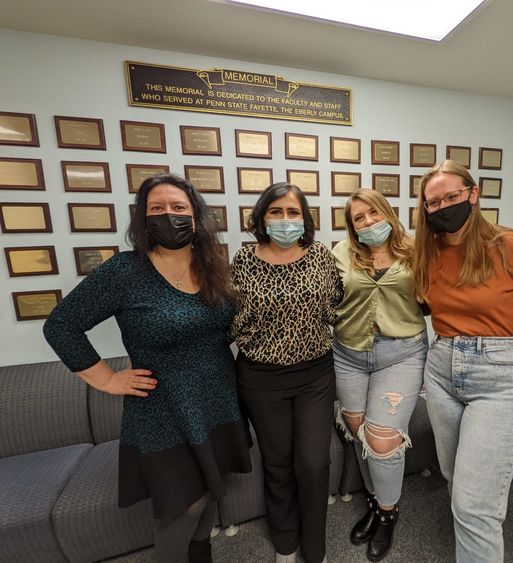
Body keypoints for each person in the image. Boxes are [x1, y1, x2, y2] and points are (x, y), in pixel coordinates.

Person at [43, 174, 252, 563]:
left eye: (178, 208)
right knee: (182, 506)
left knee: (209, 488)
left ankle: (201, 554)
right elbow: (61, 325)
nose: (168, 215)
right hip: (163, 411)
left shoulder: (212, 266)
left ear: (196, 216)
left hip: (219, 401)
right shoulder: (125, 271)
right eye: (157, 209)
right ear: (142, 218)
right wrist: (105, 378)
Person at [412, 160, 513, 562]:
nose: (444, 206)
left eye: (452, 196)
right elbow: (425, 306)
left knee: (474, 503)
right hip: (443, 365)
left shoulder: (508, 244)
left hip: (499, 371)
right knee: (453, 480)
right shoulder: (426, 252)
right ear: (425, 208)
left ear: (473, 194)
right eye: (435, 202)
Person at [230, 182, 342, 563]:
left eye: (293, 212)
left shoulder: (321, 257)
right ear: (262, 217)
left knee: (313, 463)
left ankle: (315, 550)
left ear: (305, 218)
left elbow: (337, 307)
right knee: (277, 463)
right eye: (275, 212)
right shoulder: (243, 260)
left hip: (314, 375)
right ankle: (285, 545)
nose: (284, 220)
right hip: (261, 379)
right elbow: (228, 318)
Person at [331, 189, 427, 562]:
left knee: (382, 438)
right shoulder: (340, 253)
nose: (368, 222)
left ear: (387, 212)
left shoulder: (416, 249)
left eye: (373, 213)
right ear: (351, 225)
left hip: (401, 354)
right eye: (359, 218)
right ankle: (375, 500)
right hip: (349, 354)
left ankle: (388, 513)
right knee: (358, 430)